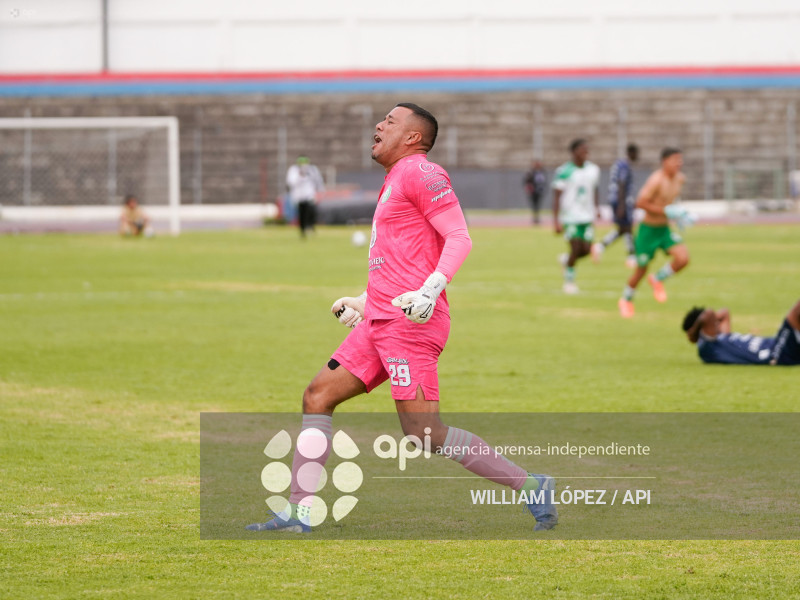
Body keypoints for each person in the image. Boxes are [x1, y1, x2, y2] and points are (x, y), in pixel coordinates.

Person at [247, 103, 557, 533]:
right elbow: (401, 258)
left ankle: (532, 485)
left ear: (413, 138)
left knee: (424, 431)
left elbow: (459, 237)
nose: (379, 125)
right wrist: (362, 299)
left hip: (411, 324)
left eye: (390, 122)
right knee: (317, 396)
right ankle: (300, 513)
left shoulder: (421, 172)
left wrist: (431, 289)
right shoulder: (395, 180)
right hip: (381, 317)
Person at [618, 148, 693, 318]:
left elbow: (671, 202)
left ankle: (658, 279)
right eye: (675, 160)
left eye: (680, 160)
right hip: (648, 231)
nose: (679, 163)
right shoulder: (656, 180)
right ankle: (625, 299)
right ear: (665, 161)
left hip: (664, 229)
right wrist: (666, 211)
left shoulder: (680, 179)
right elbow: (640, 203)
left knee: (683, 258)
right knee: (640, 271)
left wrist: (680, 216)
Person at [682, 299, 800, 365]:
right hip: (776, 353)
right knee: (796, 312)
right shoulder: (708, 348)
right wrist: (695, 331)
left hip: (778, 348)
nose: (716, 324)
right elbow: (708, 314)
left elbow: (724, 313)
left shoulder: (722, 339)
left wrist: (710, 324)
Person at [552, 139, 601, 294]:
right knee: (575, 247)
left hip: (587, 216)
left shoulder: (593, 170)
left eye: (587, 150)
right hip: (570, 216)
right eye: (582, 150)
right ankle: (569, 283)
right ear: (574, 152)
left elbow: (595, 190)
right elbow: (556, 197)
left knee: (586, 250)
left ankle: (566, 260)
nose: (586, 153)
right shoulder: (564, 171)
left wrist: (596, 208)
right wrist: (556, 220)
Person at [592, 144, 639, 268]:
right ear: (631, 152)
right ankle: (631, 256)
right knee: (627, 227)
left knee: (623, 229)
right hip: (621, 200)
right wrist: (622, 206)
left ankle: (600, 247)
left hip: (617, 199)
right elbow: (621, 184)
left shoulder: (619, 164)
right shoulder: (624, 165)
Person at [286, 156, 325, 238]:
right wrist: (300, 175)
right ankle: (302, 231)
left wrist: (321, 192)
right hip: (299, 196)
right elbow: (291, 182)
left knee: (311, 211)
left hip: (309, 195)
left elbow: (318, 181)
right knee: (302, 214)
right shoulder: (293, 170)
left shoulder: (312, 170)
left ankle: (310, 226)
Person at [522, 160, 547, 225]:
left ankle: (537, 217)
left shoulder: (542, 171)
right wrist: (529, 188)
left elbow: (544, 181)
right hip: (533, 191)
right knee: (534, 205)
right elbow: (526, 181)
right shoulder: (531, 172)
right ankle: (535, 218)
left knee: (538, 205)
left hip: (540, 190)